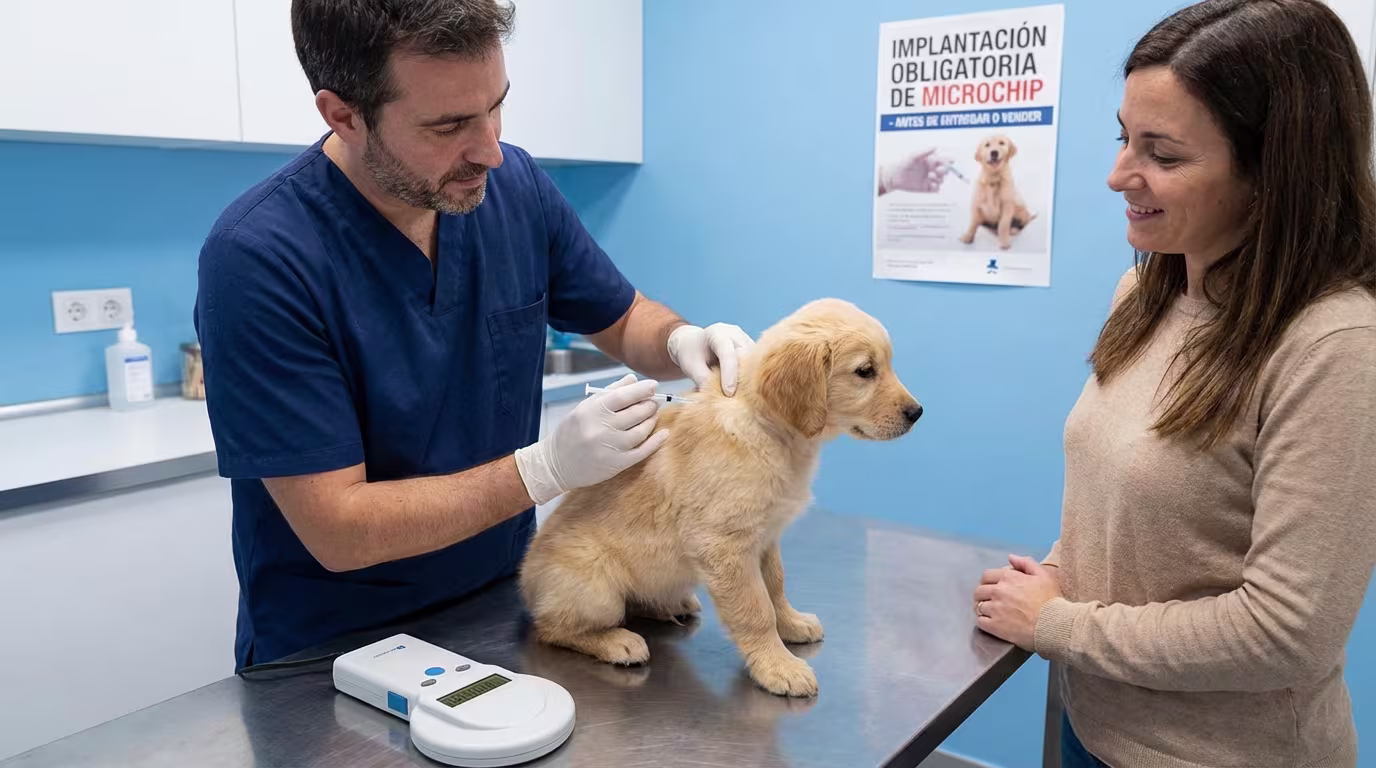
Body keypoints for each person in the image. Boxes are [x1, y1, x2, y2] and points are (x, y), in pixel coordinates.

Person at [193, 0, 754, 671]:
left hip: (502, 607)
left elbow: (625, 317)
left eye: (496, 106)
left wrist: (681, 340)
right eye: (449, 125)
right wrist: (543, 470)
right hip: (335, 653)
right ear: (343, 115)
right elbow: (338, 528)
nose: (490, 149)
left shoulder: (514, 188)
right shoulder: (259, 257)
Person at [970, 1, 1376, 766]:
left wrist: (1056, 624)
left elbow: (1286, 632)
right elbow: (1132, 503)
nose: (1119, 175)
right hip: (1094, 725)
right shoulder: (1145, 295)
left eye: (1162, 154)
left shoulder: (1336, 346)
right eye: (1124, 138)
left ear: (1272, 170)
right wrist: (1058, 572)